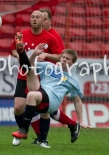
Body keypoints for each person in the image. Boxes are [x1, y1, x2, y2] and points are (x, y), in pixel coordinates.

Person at [12, 44, 93, 147]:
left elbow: (77, 101)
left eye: (67, 59)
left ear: (73, 63)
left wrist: (81, 121)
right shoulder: (49, 66)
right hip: (42, 94)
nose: (64, 60)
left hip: (52, 101)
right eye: (63, 57)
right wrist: (35, 54)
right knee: (30, 70)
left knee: (31, 95)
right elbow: (27, 64)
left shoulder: (73, 79)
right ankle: (21, 51)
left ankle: (24, 130)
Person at [11, 10, 63, 148]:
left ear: (43, 21)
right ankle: (23, 131)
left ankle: (43, 139)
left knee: (43, 111)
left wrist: (46, 55)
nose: (34, 19)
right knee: (18, 108)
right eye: (32, 17)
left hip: (42, 78)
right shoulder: (21, 35)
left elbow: (59, 56)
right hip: (24, 74)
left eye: (38, 17)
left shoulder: (50, 37)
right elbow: (13, 50)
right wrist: (19, 56)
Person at [29, 8, 75, 145]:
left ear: (50, 21)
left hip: (48, 77)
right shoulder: (36, 34)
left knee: (41, 107)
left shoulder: (53, 36)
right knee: (38, 106)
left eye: (44, 19)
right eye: (38, 18)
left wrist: (47, 57)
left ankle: (42, 138)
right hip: (36, 74)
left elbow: (62, 57)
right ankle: (71, 124)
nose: (40, 21)